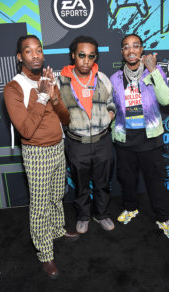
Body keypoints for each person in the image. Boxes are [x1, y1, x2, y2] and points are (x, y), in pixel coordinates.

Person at [4, 35, 78, 279]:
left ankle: (57, 230)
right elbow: (25, 129)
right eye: (28, 51)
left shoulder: (49, 80)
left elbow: (66, 119)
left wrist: (54, 96)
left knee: (58, 195)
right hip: (36, 153)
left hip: (58, 146)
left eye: (39, 50)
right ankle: (45, 254)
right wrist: (42, 95)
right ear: (20, 57)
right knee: (39, 207)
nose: (35, 55)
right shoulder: (13, 87)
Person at [110, 33, 169, 239]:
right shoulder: (115, 78)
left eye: (135, 46)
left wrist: (152, 70)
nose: (131, 50)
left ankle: (164, 218)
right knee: (127, 179)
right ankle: (131, 208)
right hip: (125, 139)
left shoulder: (155, 71)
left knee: (155, 181)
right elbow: (113, 106)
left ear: (141, 49)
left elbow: (166, 100)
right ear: (122, 52)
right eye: (126, 47)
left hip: (150, 138)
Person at [56, 35, 116, 234]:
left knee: (103, 183)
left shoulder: (103, 78)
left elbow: (111, 103)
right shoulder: (60, 82)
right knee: (80, 185)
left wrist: (110, 114)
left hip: (102, 141)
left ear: (95, 58)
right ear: (73, 55)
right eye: (81, 55)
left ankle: (102, 214)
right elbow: (54, 112)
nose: (86, 60)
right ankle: (83, 216)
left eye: (91, 56)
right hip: (76, 143)